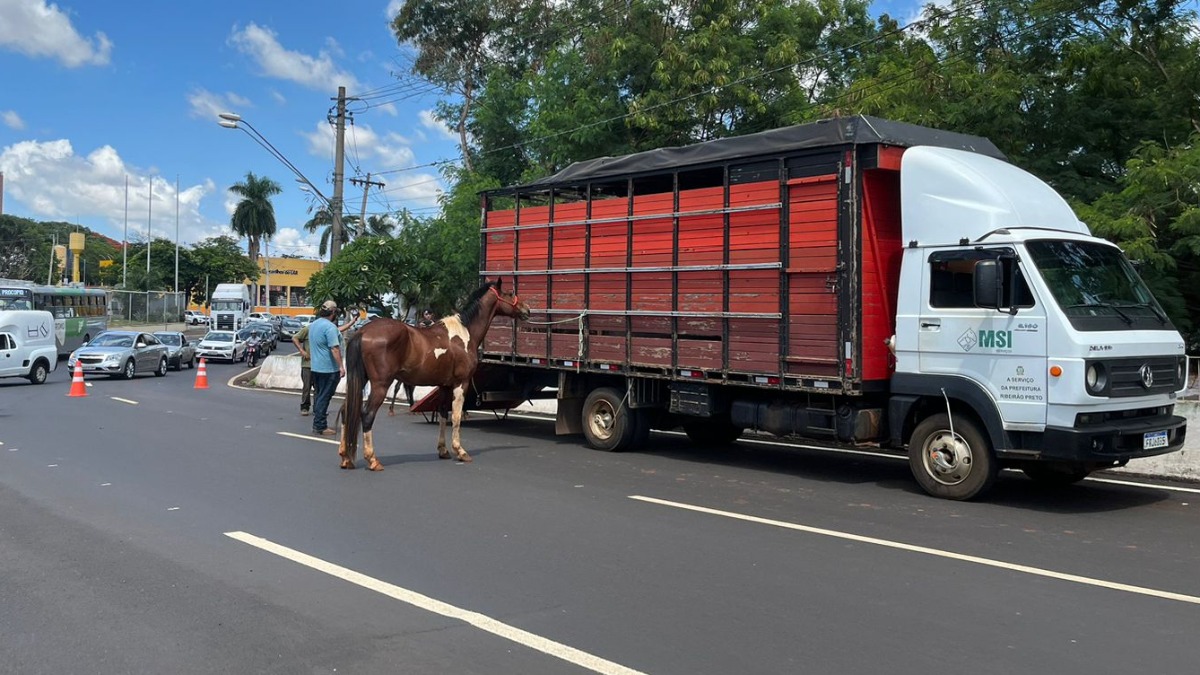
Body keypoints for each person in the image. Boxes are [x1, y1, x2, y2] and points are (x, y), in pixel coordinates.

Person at [294, 305, 355, 416]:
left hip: (317, 365)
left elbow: (338, 330)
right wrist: (302, 351)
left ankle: (318, 410)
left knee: (319, 390)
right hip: (309, 364)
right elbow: (295, 338)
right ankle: (306, 408)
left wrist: (351, 323)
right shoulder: (310, 328)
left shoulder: (322, 327)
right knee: (308, 388)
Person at [308, 300, 346, 436]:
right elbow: (334, 348)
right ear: (333, 312)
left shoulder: (314, 325)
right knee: (324, 397)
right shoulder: (329, 327)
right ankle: (320, 426)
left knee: (319, 396)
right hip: (328, 369)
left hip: (316, 368)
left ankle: (317, 423)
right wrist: (341, 366)